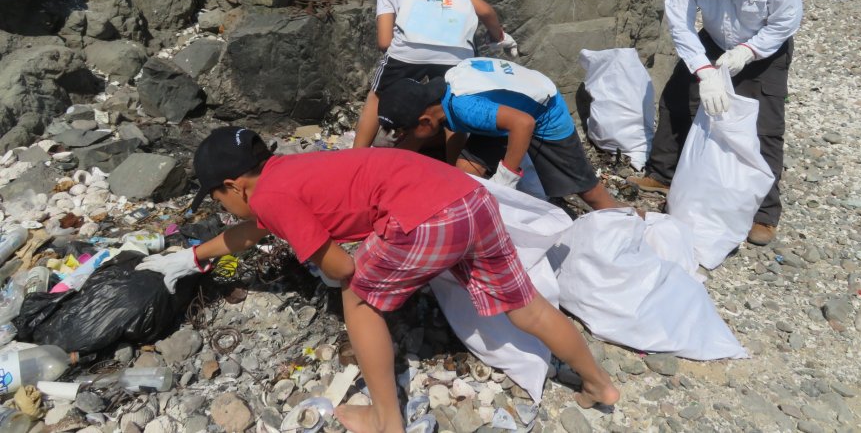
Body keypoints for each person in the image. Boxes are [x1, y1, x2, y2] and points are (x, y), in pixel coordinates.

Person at [138, 127, 619, 433]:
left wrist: (338, 269)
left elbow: (343, 269)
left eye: (219, 200)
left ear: (233, 186)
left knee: (359, 300)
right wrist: (193, 257)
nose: (226, 208)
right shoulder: (289, 172)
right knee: (527, 305)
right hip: (470, 200)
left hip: (427, 218)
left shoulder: (269, 197)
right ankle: (599, 383)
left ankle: (386, 421)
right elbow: (252, 231)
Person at [628, 0, 803, 246]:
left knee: (765, 126)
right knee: (678, 96)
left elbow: (785, 21)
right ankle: (663, 173)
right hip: (712, 38)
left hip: (763, 45)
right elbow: (679, 19)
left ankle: (764, 213)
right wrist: (704, 69)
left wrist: (747, 52)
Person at [376, 58, 623, 210]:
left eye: (405, 133)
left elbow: (524, 124)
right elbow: (462, 129)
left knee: (591, 195)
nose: (404, 139)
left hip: (544, 113)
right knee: (466, 175)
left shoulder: (464, 106)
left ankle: (631, 221)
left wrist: (506, 179)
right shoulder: (445, 94)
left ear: (425, 122)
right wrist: (452, 173)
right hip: (506, 113)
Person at [353, 0, 518, 149]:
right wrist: (500, 37)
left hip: (409, 48)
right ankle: (452, 167)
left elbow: (384, 41)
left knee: (378, 94)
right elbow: (486, 11)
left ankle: (355, 158)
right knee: (449, 106)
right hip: (458, 50)